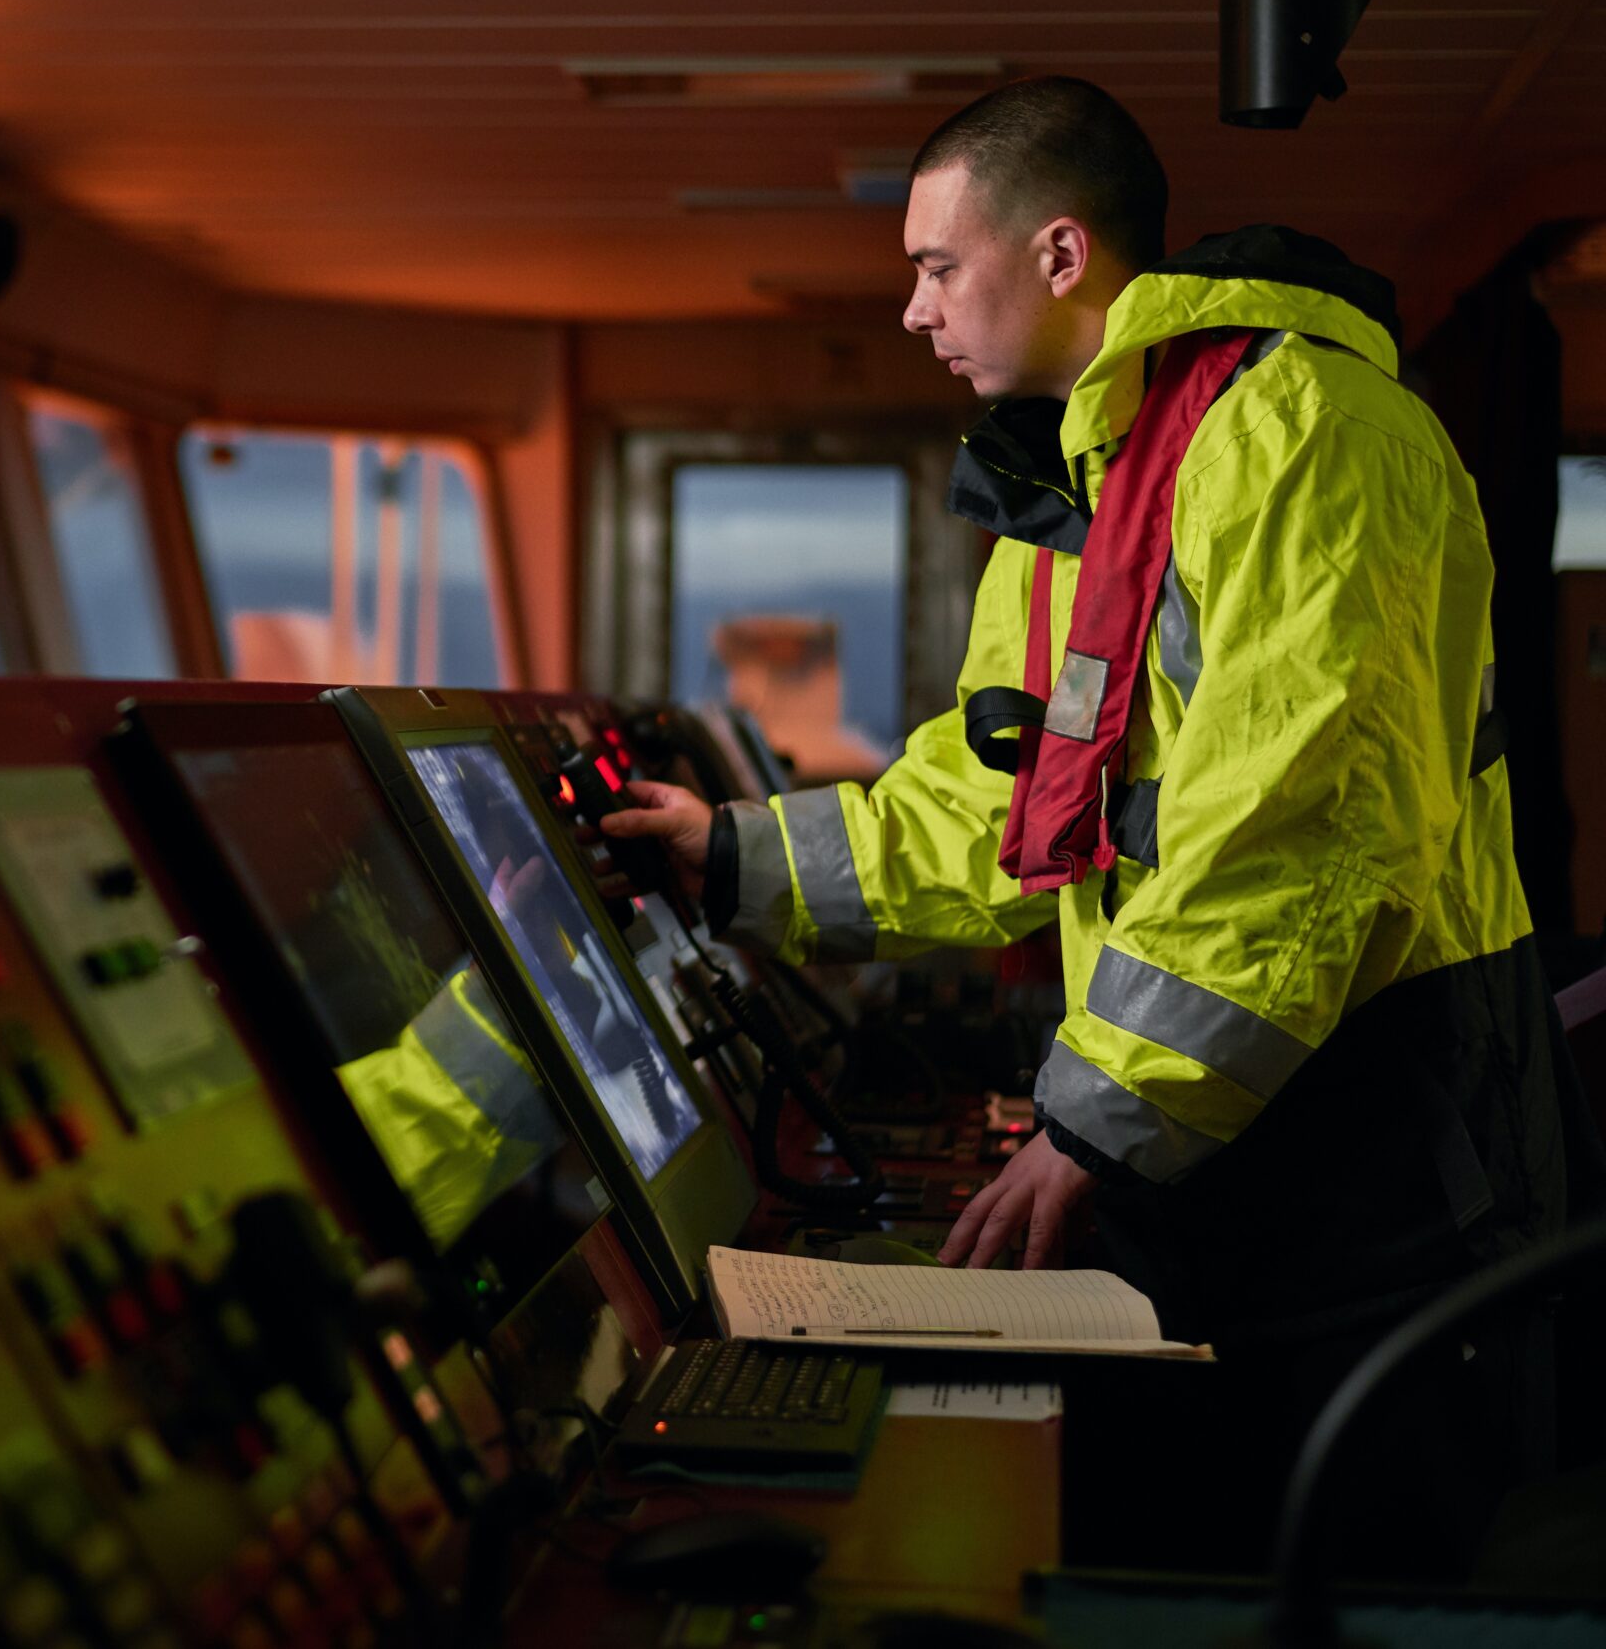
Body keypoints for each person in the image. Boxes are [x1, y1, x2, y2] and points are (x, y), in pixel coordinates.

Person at [603, 76, 1594, 1573]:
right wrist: (736, 856)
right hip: (1211, 1140)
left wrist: (1089, 1123)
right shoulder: (1079, 490)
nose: (916, 313)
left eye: (939, 268)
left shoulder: (1311, 432)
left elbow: (1301, 834)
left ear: (1060, 256)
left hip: (1378, 1154)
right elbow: (1009, 806)